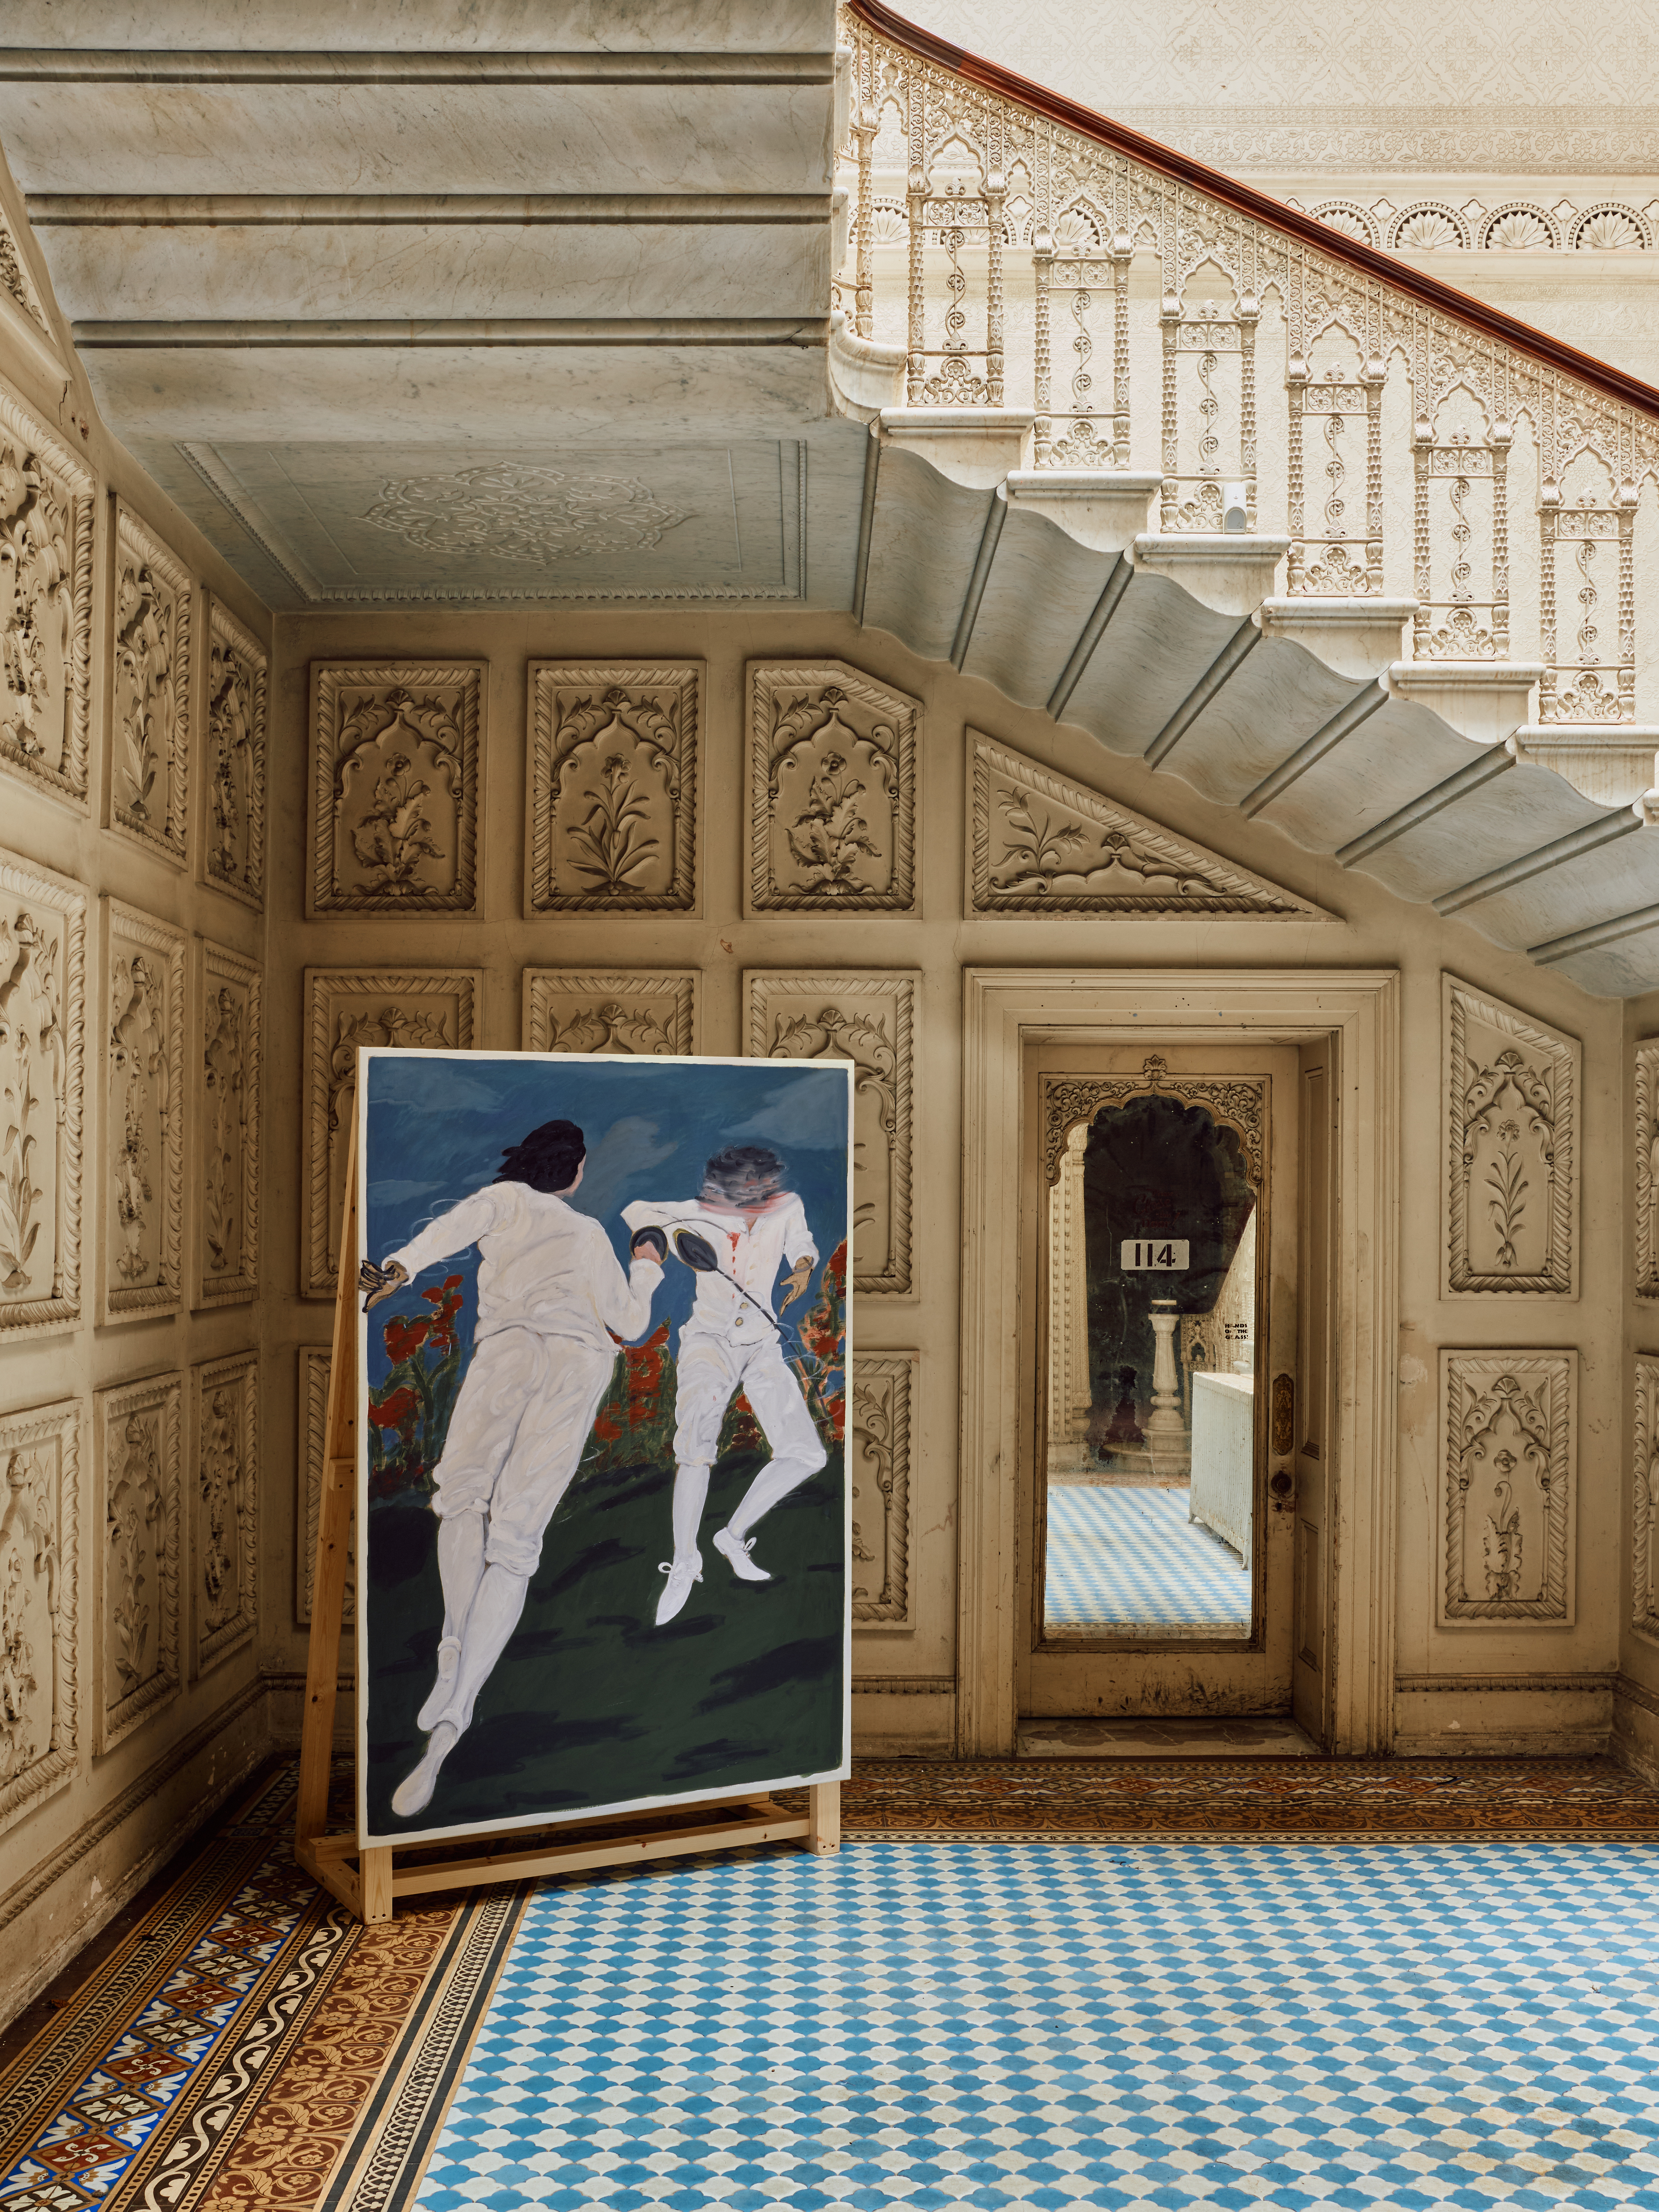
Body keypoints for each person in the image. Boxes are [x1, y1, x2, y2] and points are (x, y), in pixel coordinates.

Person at [360, 1117, 665, 1820]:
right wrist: (646, 1261)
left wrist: (398, 1269)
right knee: (516, 1538)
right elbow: (629, 1322)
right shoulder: (589, 1235)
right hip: (573, 1364)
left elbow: (446, 1232)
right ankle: (456, 1708)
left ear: (526, 1162)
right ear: (577, 1172)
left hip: (508, 1353)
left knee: (462, 1501)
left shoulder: (502, 1200)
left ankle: (451, 1656)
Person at [623, 1145, 824, 1626]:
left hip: (762, 1344)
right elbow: (639, 1216)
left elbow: (803, 1243)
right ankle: (686, 1559)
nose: (737, 1201)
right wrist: (656, 1245)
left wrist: (802, 1269)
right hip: (709, 1344)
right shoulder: (694, 1214)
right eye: (726, 1193)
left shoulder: (787, 1207)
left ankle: (731, 1537)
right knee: (696, 1448)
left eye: (754, 1192)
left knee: (805, 1453)